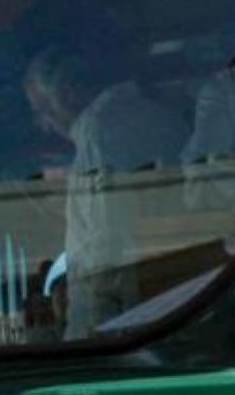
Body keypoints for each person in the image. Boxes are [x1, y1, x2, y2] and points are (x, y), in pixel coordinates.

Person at [24, 47, 189, 338]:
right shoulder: (153, 115)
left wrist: (83, 340)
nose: (44, 125)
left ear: (68, 92)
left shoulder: (97, 132)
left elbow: (105, 262)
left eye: (43, 109)